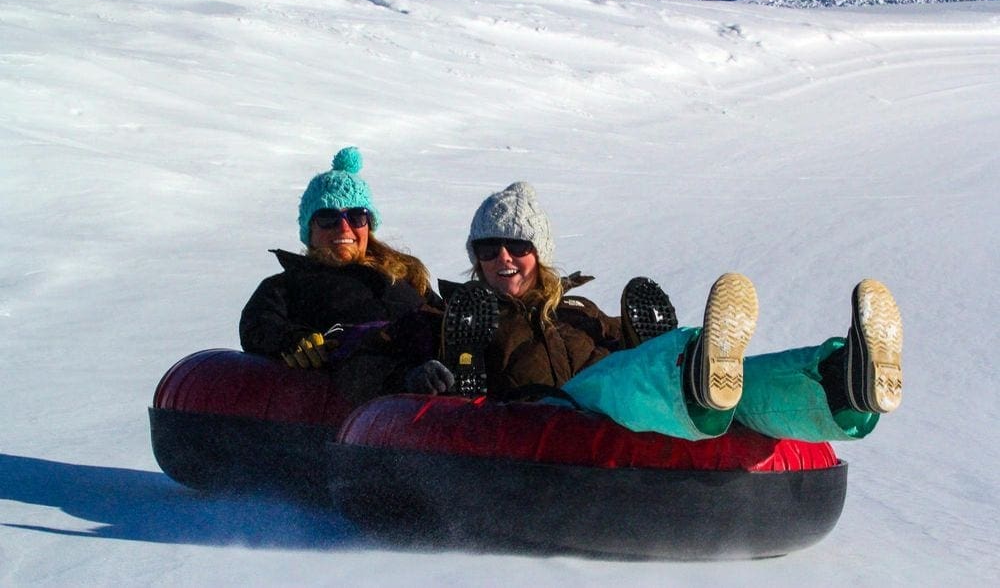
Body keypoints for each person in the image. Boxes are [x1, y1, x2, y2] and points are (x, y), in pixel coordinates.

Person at [422, 181, 903, 444]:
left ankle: (841, 385)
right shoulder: (462, 313)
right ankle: (684, 371)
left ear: (539, 251)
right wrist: (424, 372)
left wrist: (638, 339)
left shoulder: (579, 310)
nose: (502, 258)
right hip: (549, 416)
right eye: (488, 249)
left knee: (732, 383)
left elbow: (620, 345)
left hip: (617, 415)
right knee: (624, 380)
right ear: (475, 257)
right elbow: (389, 354)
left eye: (516, 246)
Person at [239, 146, 448, 402]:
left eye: (357, 216)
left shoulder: (404, 273)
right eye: (328, 218)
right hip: (371, 384)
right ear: (310, 230)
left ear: (368, 225)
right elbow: (259, 324)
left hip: (437, 363)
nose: (344, 227)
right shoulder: (289, 284)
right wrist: (293, 340)